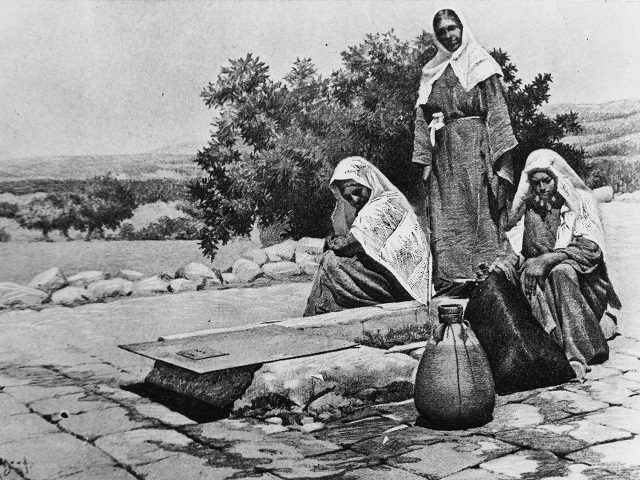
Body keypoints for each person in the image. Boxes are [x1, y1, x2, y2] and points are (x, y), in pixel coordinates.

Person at [490, 149, 621, 380]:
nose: (542, 188)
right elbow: (520, 252)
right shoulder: (528, 209)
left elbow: (591, 249)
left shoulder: (579, 203)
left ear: (557, 178)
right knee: (524, 276)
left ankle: (579, 352)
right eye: (535, 182)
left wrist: (548, 258)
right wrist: (506, 263)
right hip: (546, 284)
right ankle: (553, 346)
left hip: (584, 284)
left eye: (547, 181)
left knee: (561, 271)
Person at [412, 8, 517, 295]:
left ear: (462, 28)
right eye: (442, 31)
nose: (449, 35)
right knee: (447, 217)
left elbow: (497, 113)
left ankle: (488, 281)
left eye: (453, 28)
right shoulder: (432, 70)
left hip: (477, 149)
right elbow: (422, 119)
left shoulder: (482, 65)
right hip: (444, 155)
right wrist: (424, 161)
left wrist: (501, 161)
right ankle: (452, 283)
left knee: (482, 213)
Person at [303, 156, 431, 316]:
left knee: (331, 261)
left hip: (401, 285)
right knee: (332, 261)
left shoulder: (382, 205)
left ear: (368, 182)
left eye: (357, 192)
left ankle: (316, 312)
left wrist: (331, 242)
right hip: (391, 276)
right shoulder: (379, 202)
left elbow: (351, 244)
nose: (354, 199)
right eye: (348, 196)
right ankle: (320, 311)